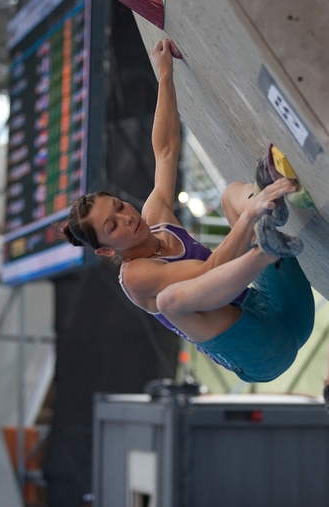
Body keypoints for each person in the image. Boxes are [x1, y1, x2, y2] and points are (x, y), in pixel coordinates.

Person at [63, 38, 315, 383]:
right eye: (113, 225)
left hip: (285, 312)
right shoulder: (136, 277)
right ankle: (265, 243)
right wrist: (251, 217)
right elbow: (211, 270)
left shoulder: (155, 217)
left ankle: (271, 198)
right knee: (170, 300)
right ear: (107, 249)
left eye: (121, 206)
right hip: (261, 353)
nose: (127, 217)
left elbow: (165, 150)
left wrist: (165, 74)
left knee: (230, 196)